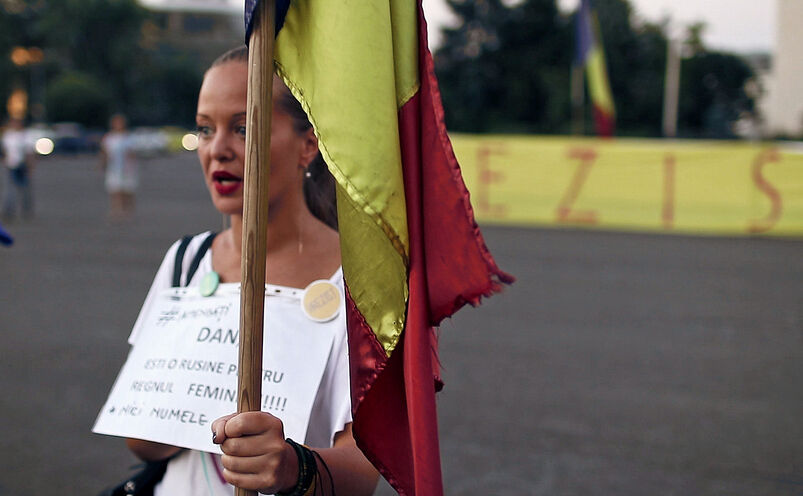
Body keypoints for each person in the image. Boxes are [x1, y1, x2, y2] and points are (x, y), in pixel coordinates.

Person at [124, 46, 378, 495]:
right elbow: (142, 440)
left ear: (308, 145)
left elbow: (365, 470)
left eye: (243, 128)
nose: (217, 149)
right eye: (205, 129)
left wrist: (293, 468)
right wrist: (172, 404)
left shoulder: (361, 284)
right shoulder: (185, 260)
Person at [99, 113, 138, 220]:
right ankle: (117, 209)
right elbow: (104, 152)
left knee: (127, 190)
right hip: (114, 167)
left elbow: (132, 153)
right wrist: (103, 164)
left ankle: (128, 209)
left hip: (127, 168)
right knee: (115, 190)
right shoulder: (109, 138)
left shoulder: (128, 137)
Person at [1, 117, 34, 221]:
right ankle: (9, 211)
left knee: (24, 189)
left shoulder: (25, 136)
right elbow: (5, 150)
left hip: (22, 165)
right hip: (11, 165)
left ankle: (26, 210)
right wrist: (6, 160)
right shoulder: (8, 136)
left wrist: (30, 167)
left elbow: (29, 153)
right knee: (10, 189)